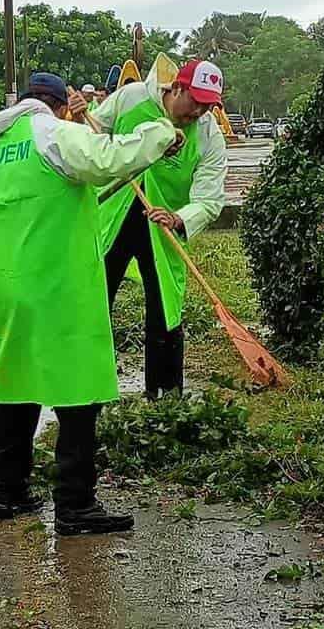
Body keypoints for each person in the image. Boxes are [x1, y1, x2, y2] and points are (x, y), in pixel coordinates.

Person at [0, 72, 182, 534]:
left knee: (15, 384)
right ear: (63, 106)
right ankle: (75, 505)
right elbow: (107, 158)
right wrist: (161, 132)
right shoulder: (53, 134)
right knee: (79, 392)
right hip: (61, 286)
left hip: (10, 289)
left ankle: (8, 492)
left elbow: (46, 197)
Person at [92, 55, 227, 400]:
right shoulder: (132, 98)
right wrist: (80, 115)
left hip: (162, 225)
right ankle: (90, 393)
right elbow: (94, 133)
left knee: (164, 310)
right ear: (177, 87)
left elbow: (210, 198)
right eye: (195, 102)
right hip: (111, 216)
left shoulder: (209, 135)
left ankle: (165, 398)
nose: (198, 113)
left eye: (207, 107)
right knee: (92, 303)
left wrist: (180, 217)